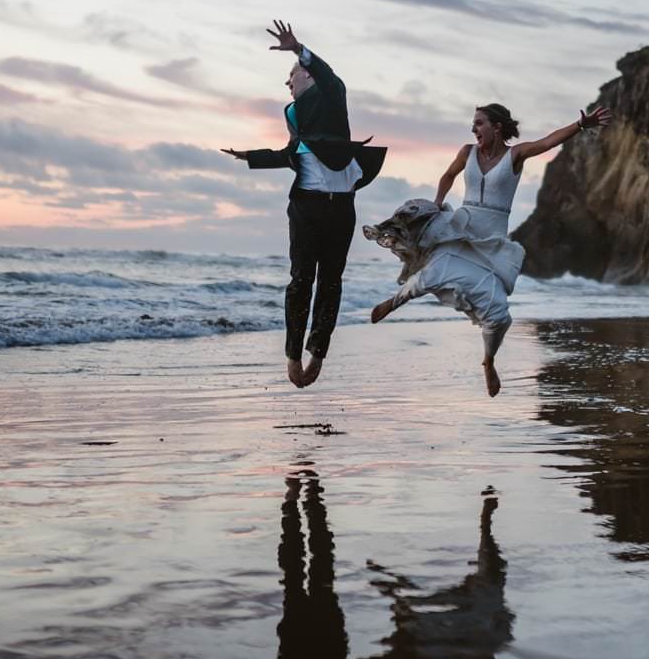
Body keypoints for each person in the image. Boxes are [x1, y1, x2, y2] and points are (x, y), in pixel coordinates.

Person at [365, 101, 611, 396]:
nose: (474, 129)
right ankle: (395, 301)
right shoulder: (467, 152)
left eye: (479, 123)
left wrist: (580, 125)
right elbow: (447, 176)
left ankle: (489, 360)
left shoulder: (515, 155)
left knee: (498, 314)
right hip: (461, 227)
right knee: (433, 272)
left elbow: (548, 142)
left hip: (491, 241)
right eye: (473, 124)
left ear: (497, 127)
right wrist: (439, 202)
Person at [222, 21, 386, 388]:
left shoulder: (331, 98)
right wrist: (248, 156)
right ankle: (293, 353)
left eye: (292, 76)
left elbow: (331, 78)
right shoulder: (297, 120)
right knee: (300, 281)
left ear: (309, 78)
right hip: (306, 208)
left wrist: (298, 50)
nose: (288, 83)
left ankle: (319, 353)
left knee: (331, 282)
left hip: (340, 209)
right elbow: (290, 154)